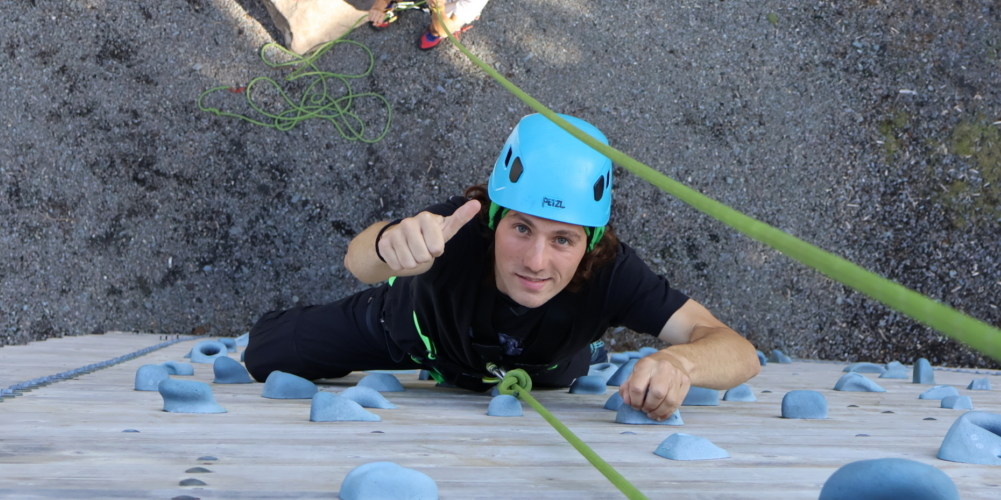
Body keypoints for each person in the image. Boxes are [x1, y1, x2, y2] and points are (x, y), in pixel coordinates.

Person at [244, 114, 760, 420]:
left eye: (563, 239)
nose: (537, 261)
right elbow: (359, 262)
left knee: (582, 354)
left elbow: (738, 351)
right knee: (265, 353)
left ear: (592, 242)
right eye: (521, 229)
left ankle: (592, 344)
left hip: (545, 369)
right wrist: (386, 246)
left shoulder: (612, 271)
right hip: (408, 333)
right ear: (494, 219)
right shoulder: (458, 227)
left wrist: (681, 364)